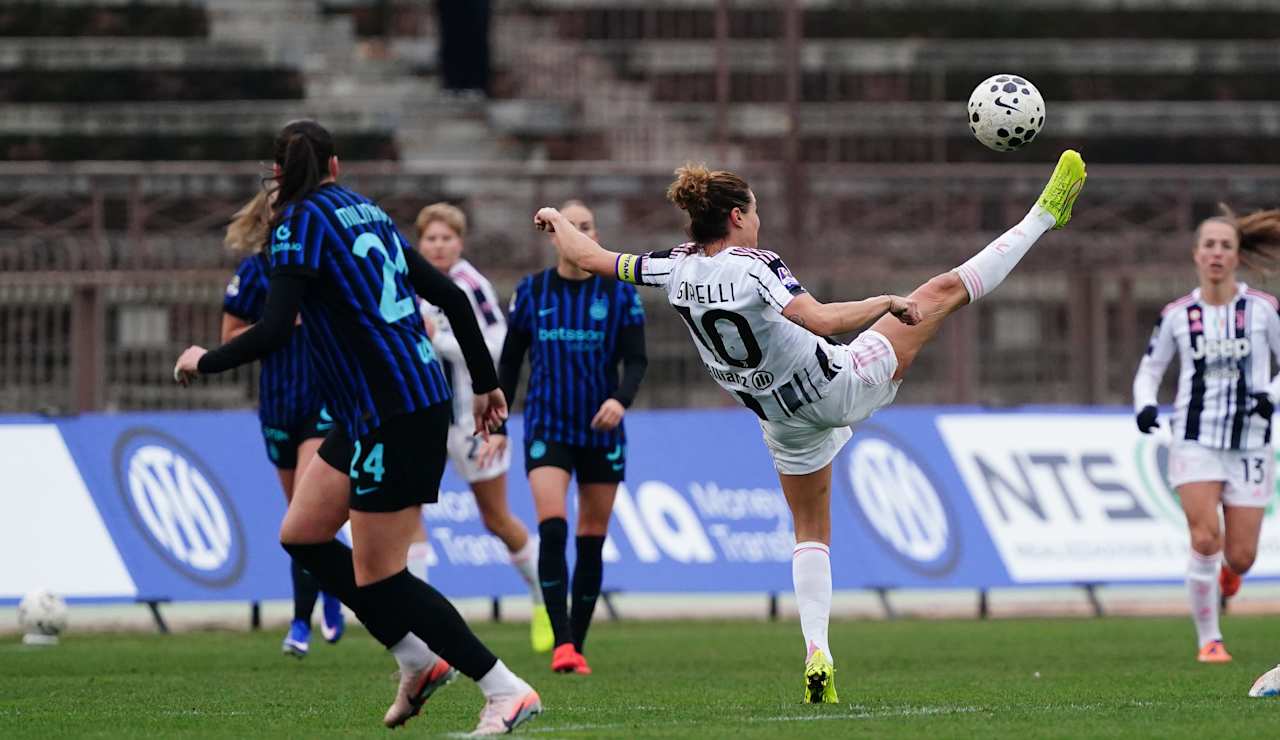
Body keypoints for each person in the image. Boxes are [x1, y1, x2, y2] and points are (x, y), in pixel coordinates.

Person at [535, 153, 1085, 702]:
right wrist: (885, 302)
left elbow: (589, 256)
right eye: (753, 211)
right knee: (941, 293)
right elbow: (818, 319)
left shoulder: (670, 267)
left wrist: (557, 221)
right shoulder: (756, 265)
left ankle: (816, 649)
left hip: (781, 420)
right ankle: (1043, 216)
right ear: (735, 217)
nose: (759, 220)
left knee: (809, 530)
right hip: (837, 384)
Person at [173, 120, 540, 734]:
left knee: (381, 575)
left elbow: (268, 329)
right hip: (372, 409)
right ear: (336, 167)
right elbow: (450, 296)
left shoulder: (297, 226)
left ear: (280, 177)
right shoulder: (365, 211)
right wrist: (484, 382)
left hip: (395, 411)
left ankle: (504, 689)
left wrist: (203, 359)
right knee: (303, 533)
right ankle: (417, 660)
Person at [498, 200, 648, 675]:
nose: (579, 233)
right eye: (571, 226)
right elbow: (510, 361)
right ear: (555, 235)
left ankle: (575, 646)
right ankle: (561, 641)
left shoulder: (619, 293)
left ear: (595, 236)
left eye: (587, 227)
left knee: (590, 538)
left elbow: (637, 360)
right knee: (553, 526)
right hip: (548, 423)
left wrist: (620, 400)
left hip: (601, 427)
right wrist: (498, 419)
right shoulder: (532, 291)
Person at [1132, 205, 1280, 663]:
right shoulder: (1178, 314)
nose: (1217, 254)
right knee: (1204, 540)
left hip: (1250, 442)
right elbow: (1149, 370)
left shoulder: (1263, 309)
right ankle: (1209, 641)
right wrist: (1143, 406)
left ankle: (1229, 579)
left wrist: (1271, 395)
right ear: (1196, 255)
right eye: (1209, 245)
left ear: (1237, 257)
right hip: (1194, 439)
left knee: (1241, 557)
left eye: (1226, 246)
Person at [414, 202, 551, 652]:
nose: (438, 245)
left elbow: (496, 343)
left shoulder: (471, 286)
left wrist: (443, 341)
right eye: (430, 238)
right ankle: (416, 626)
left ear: (460, 241)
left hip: (473, 421)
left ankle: (543, 597)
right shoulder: (406, 281)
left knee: (496, 518)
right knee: (409, 517)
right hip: (421, 421)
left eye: (446, 238)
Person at [221, 191, 344, 658]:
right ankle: (330, 590)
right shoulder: (254, 271)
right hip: (277, 403)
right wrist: (276, 324)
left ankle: (299, 624)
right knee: (300, 513)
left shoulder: (324, 263)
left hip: (322, 401)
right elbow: (229, 337)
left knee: (304, 515)